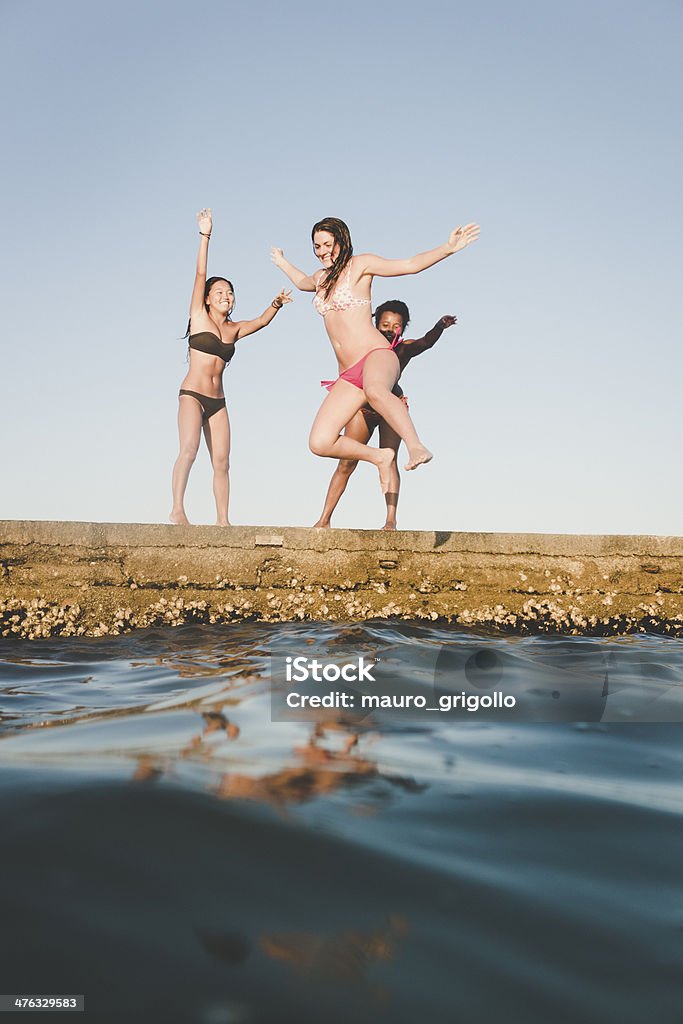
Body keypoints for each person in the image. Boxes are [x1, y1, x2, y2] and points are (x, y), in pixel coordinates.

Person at [271, 217, 478, 495]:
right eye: (317, 246)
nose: (322, 251)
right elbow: (301, 282)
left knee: (377, 391)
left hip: (376, 356)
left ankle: (416, 446)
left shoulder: (360, 265)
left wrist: (448, 248)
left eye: (327, 244)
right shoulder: (320, 279)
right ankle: (380, 457)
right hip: (348, 374)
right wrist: (282, 261)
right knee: (319, 442)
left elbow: (409, 265)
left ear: (342, 242)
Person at [171, 209, 291, 526]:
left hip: (218, 401)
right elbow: (200, 275)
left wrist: (275, 304)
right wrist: (205, 235)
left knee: (222, 461)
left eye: (230, 292)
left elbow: (262, 321)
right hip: (193, 395)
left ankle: (223, 520)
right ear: (208, 299)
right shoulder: (199, 316)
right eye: (219, 292)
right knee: (189, 449)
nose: (226, 296)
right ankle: (178, 509)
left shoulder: (234, 328)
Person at [313, 300, 457, 530]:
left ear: (403, 327)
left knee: (391, 461)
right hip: (364, 408)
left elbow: (425, 342)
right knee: (346, 463)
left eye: (396, 325)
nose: (390, 329)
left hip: (391, 408)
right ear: (374, 324)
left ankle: (390, 520)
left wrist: (439, 326)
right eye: (385, 324)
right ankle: (324, 519)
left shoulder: (403, 348)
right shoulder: (363, 347)